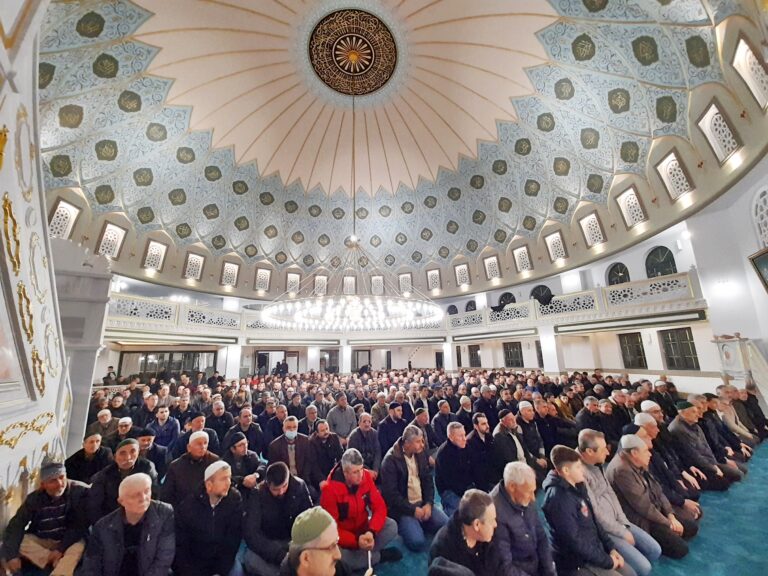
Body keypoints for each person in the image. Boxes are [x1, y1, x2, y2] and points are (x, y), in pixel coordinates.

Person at [579, 430, 661, 576]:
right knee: (643, 568)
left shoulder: (597, 463)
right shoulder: (579, 473)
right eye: (603, 448)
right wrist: (621, 531)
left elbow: (610, 493)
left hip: (619, 520)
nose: (607, 452)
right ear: (590, 451)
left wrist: (624, 522)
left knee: (655, 550)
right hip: (605, 530)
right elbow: (596, 514)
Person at [606, 435, 698, 559]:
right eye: (646, 451)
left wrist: (670, 515)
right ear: (634, 453)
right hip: (642, 519)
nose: (650, 454)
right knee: (681, 549)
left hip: (655, 510)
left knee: (692, 527)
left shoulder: (638, 462)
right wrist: (668, 523)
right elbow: (643, 507)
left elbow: (658, 490)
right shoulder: (621, 470)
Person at [542, 445, 627, 576]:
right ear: (566, 470)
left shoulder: (578, 486)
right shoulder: (558, 500)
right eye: (578, 467)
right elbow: (575, 542)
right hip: (578, 563)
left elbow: (594, 521)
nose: (582, 470)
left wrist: (611, 548)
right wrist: (607, 561)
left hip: (595, 550)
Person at [1, 459, 88, 576]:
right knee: (20, 541)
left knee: (79, 547)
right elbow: (16, 525)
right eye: (53, 480)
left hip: (67, 541)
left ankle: (58, 572)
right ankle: (53, 561)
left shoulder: (78, 492)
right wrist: (12, 556)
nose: (60, 483)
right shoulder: (34, 498)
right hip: (43, 541)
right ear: (43, 484)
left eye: (62, 477)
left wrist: (61, 549)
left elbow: (78, 526)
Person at [320, 449, 400, 572]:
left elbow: (379, 507)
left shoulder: (366, 476)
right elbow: (332, 530)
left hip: (364, 528)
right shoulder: (329, 491)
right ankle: (377, 556)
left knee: (392, 526)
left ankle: (364, 554)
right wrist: (356, 541)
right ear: (345, 473)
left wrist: (371, 532)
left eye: (361, 469)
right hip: (344, 539)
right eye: (356, 472)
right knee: (339, 558)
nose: (361, 475)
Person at [80, 473, 175, 576]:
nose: (143, 498)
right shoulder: (103, 527)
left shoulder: (164, 514)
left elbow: (164, 558)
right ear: (121, 501)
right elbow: (91, 564)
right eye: (135, 495)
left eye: (147, 491)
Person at [380, 425, 448, 551]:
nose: (422, 445)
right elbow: (391, 496)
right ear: (406, 443)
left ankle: (422, 522)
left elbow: (428, 481)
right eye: (418, 441)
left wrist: (428, 503)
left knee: (447, 524)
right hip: (404, 509)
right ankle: (416, 524)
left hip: (422, 503)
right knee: (417, 542)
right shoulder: (390, 461)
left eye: (422, 441)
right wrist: (413, 510)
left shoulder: (420, 454)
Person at [243, 462, 314, 576]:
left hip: (294, 541)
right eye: (276, 489)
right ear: (267, 484)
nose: (281, 492)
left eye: (284, 486)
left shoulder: (299, 485)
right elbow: (252, 533)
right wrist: (277, 554)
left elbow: (309, 518)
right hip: (270, 542)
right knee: (250, 559)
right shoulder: (258, 494)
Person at [175, 461, 243, 576]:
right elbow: (181, 547)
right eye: (223, 479)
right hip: (195, 563)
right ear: (209, 484)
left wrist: (221, 571)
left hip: (222, 561)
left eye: (229, 478)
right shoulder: (188, 507)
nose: (229, 483)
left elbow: (233, 540)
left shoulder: (234, 499)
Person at [491, 462, 556, 576]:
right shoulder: (495, 513)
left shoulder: (524, 498)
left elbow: (541, 537)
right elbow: (505, 567)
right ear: (512, 487)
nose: (533, 498)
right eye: (529, 492)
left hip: (536, 564)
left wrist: (549, 571)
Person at [667, 401, 739, 490]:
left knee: (738, 473)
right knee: (726, 482)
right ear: (683, 413)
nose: (698, 414)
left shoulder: (695, 425)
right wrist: (713, 468)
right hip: (695, 465)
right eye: (693, 412)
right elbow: (693, 455)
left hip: (709, 461)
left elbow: (707, 446)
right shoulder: (677, 429)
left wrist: (715, 463)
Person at [87, 438, 158, 525]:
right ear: (114, 457)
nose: (128, 457)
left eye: (133, 451)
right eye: (122, 453)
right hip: (112, 520)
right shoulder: (105, 475)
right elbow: (95, 506)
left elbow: (154, 496)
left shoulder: (147, 468)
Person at [429, 489, 498, 576]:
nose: (495, 524)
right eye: (492, 521)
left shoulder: (489, 537)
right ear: (477, 525)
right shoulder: (442, 550)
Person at [162, 430, 219, 508]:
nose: (203, 447)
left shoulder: (215, 462)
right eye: (199, 444)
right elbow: (167, 494)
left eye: (205, 443)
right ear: (189, 447)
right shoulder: (176, 466)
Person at [280, 506, 343, 576]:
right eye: (331, 547)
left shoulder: (338, 568)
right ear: (306, 558)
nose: (338, 555)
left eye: (336, 543)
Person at [268, 416, 319, 490]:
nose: (292, 430)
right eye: (288, 427)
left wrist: (302, 479)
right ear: (283, 429)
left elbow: (309, 461)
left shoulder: (305, 441)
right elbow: (275, 467)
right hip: (284, 481)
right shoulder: (275, 445)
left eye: (294, 427)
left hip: (303, 479)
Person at [434, 422, 474, 517]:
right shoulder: (443, 454)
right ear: (451, 437)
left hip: (466, 486)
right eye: (460, 436)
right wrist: (468, 496)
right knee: (460, 517)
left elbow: (474, 469)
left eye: (464, 434)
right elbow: (451, 482)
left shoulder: (466, 446)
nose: (464, 438)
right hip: (450, 490)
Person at [492, 410, 534, 483]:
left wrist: (531, 466)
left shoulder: (513, 428)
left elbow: (524, 449)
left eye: (513, 418)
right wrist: (526, 470)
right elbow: (510, 459)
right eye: (510, 420)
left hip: (525, 464)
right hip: (517, 471)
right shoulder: (499, 436)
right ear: (503, 422)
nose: (514, 421)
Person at [222, 431, 263, 496]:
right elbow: (225, 477)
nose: (245, 447)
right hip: (234, 492)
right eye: (241, 445)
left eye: (246, 443)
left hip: (251, 492)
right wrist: (242, 480)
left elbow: (262, 465)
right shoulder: (226, 460)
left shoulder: (252, 455)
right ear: (233, 449)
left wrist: (256, 475)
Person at [310, 420, 344, 489]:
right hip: (319, 474)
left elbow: (341, 456)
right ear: (317, 433)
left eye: (327, 429)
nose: (326, 432)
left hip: (334, 471)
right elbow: (314, 465)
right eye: (322, 430)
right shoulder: (312, 442)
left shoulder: (334, 437)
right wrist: (321, 480)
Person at [347, 412, 382, 478]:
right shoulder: (353, 436)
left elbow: (378, 452)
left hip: (373, 468)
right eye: (364, 421)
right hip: (359, 468)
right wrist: (367, 471)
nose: (367, 424)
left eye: (369, 422)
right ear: (359, 423)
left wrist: (375, 470)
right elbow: (354, 458)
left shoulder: (374, 434)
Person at [466, 413, 495, 491]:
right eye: (483, 424)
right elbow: (475, 466)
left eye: (487, 423)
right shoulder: (470, 441)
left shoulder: (489, 436)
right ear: (476, 426)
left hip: (491, 474)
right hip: (479, 479)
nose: (487, 426)